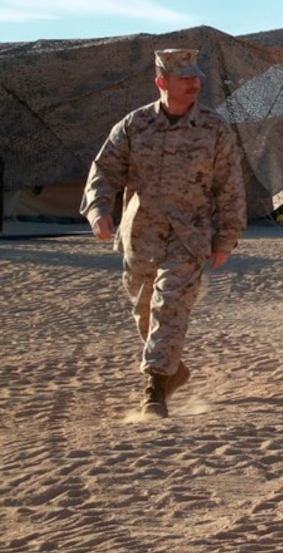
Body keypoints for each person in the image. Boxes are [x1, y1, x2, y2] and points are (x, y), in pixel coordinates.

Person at [80, 48, 246, 418]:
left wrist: (226, 237)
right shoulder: (135, 124)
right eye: (184, 78)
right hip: (141, 232)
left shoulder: (214, 128)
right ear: (162, 82)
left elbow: (229, 187)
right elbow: (105, 170)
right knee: (144, 310)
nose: (194, 83)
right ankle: (174, 369)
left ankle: (155, 387)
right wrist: (98, 210)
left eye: (196, 77)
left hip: (190, 235)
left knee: (169, 305)